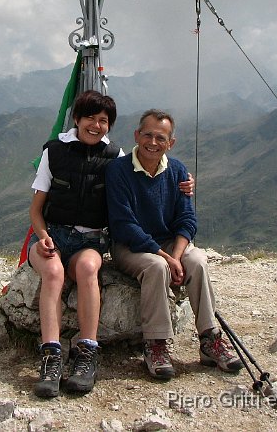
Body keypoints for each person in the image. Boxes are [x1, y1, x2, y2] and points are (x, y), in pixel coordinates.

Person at [27, 91, 193, 397]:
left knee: (90, 267)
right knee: (53, 273)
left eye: (103, 120)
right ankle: (51, 357)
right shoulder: (53, 152)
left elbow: (149, 174)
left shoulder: (116, 158)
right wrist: (42, 236)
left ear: (110, 126)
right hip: (53, 236)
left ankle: (87, 352)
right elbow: (36, 209)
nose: (96, 125)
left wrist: (183, 180)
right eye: (89, 117)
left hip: (91, 239)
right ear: (76, 118)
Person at [105, 108, 241, 380]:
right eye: (147, 135)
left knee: (198, 260)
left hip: (168, 244)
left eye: (160, 137)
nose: (152, 143)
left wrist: (176, 255)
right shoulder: (118, 171)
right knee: (157, 267)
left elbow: (187, 219)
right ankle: (155, 344)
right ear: (136, 135)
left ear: (171, 143)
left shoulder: (177, 171)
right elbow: (123, 224)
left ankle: (209, 338)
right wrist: (166, 258)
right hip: (130, 246)